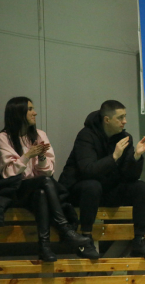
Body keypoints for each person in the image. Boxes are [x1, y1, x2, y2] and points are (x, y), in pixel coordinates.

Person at [59, 100, 145, 259]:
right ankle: (85, 239)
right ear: (107, 120)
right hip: (80, 193)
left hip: (107, 191)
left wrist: (136, 157)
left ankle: (139, 240)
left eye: (125, 116)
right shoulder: (86, 136)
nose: (125, 121)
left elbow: (130, 176)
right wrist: (114, 157)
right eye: (120, 117)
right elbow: (88, 170)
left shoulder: (125, 138)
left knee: (140, 187)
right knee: (92, 186)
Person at [0, 97, 90, 261]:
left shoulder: (40, 135)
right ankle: (65, 229)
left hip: (37, 188)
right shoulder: (3, 138)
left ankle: (44, 247)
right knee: (44, 184)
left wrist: (41, 157)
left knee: (42, 192)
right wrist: (28, 155)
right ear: (18, 113)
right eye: (30, 109)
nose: (35, 113)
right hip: (15, 190)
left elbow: (47, 173)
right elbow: (9, 174)